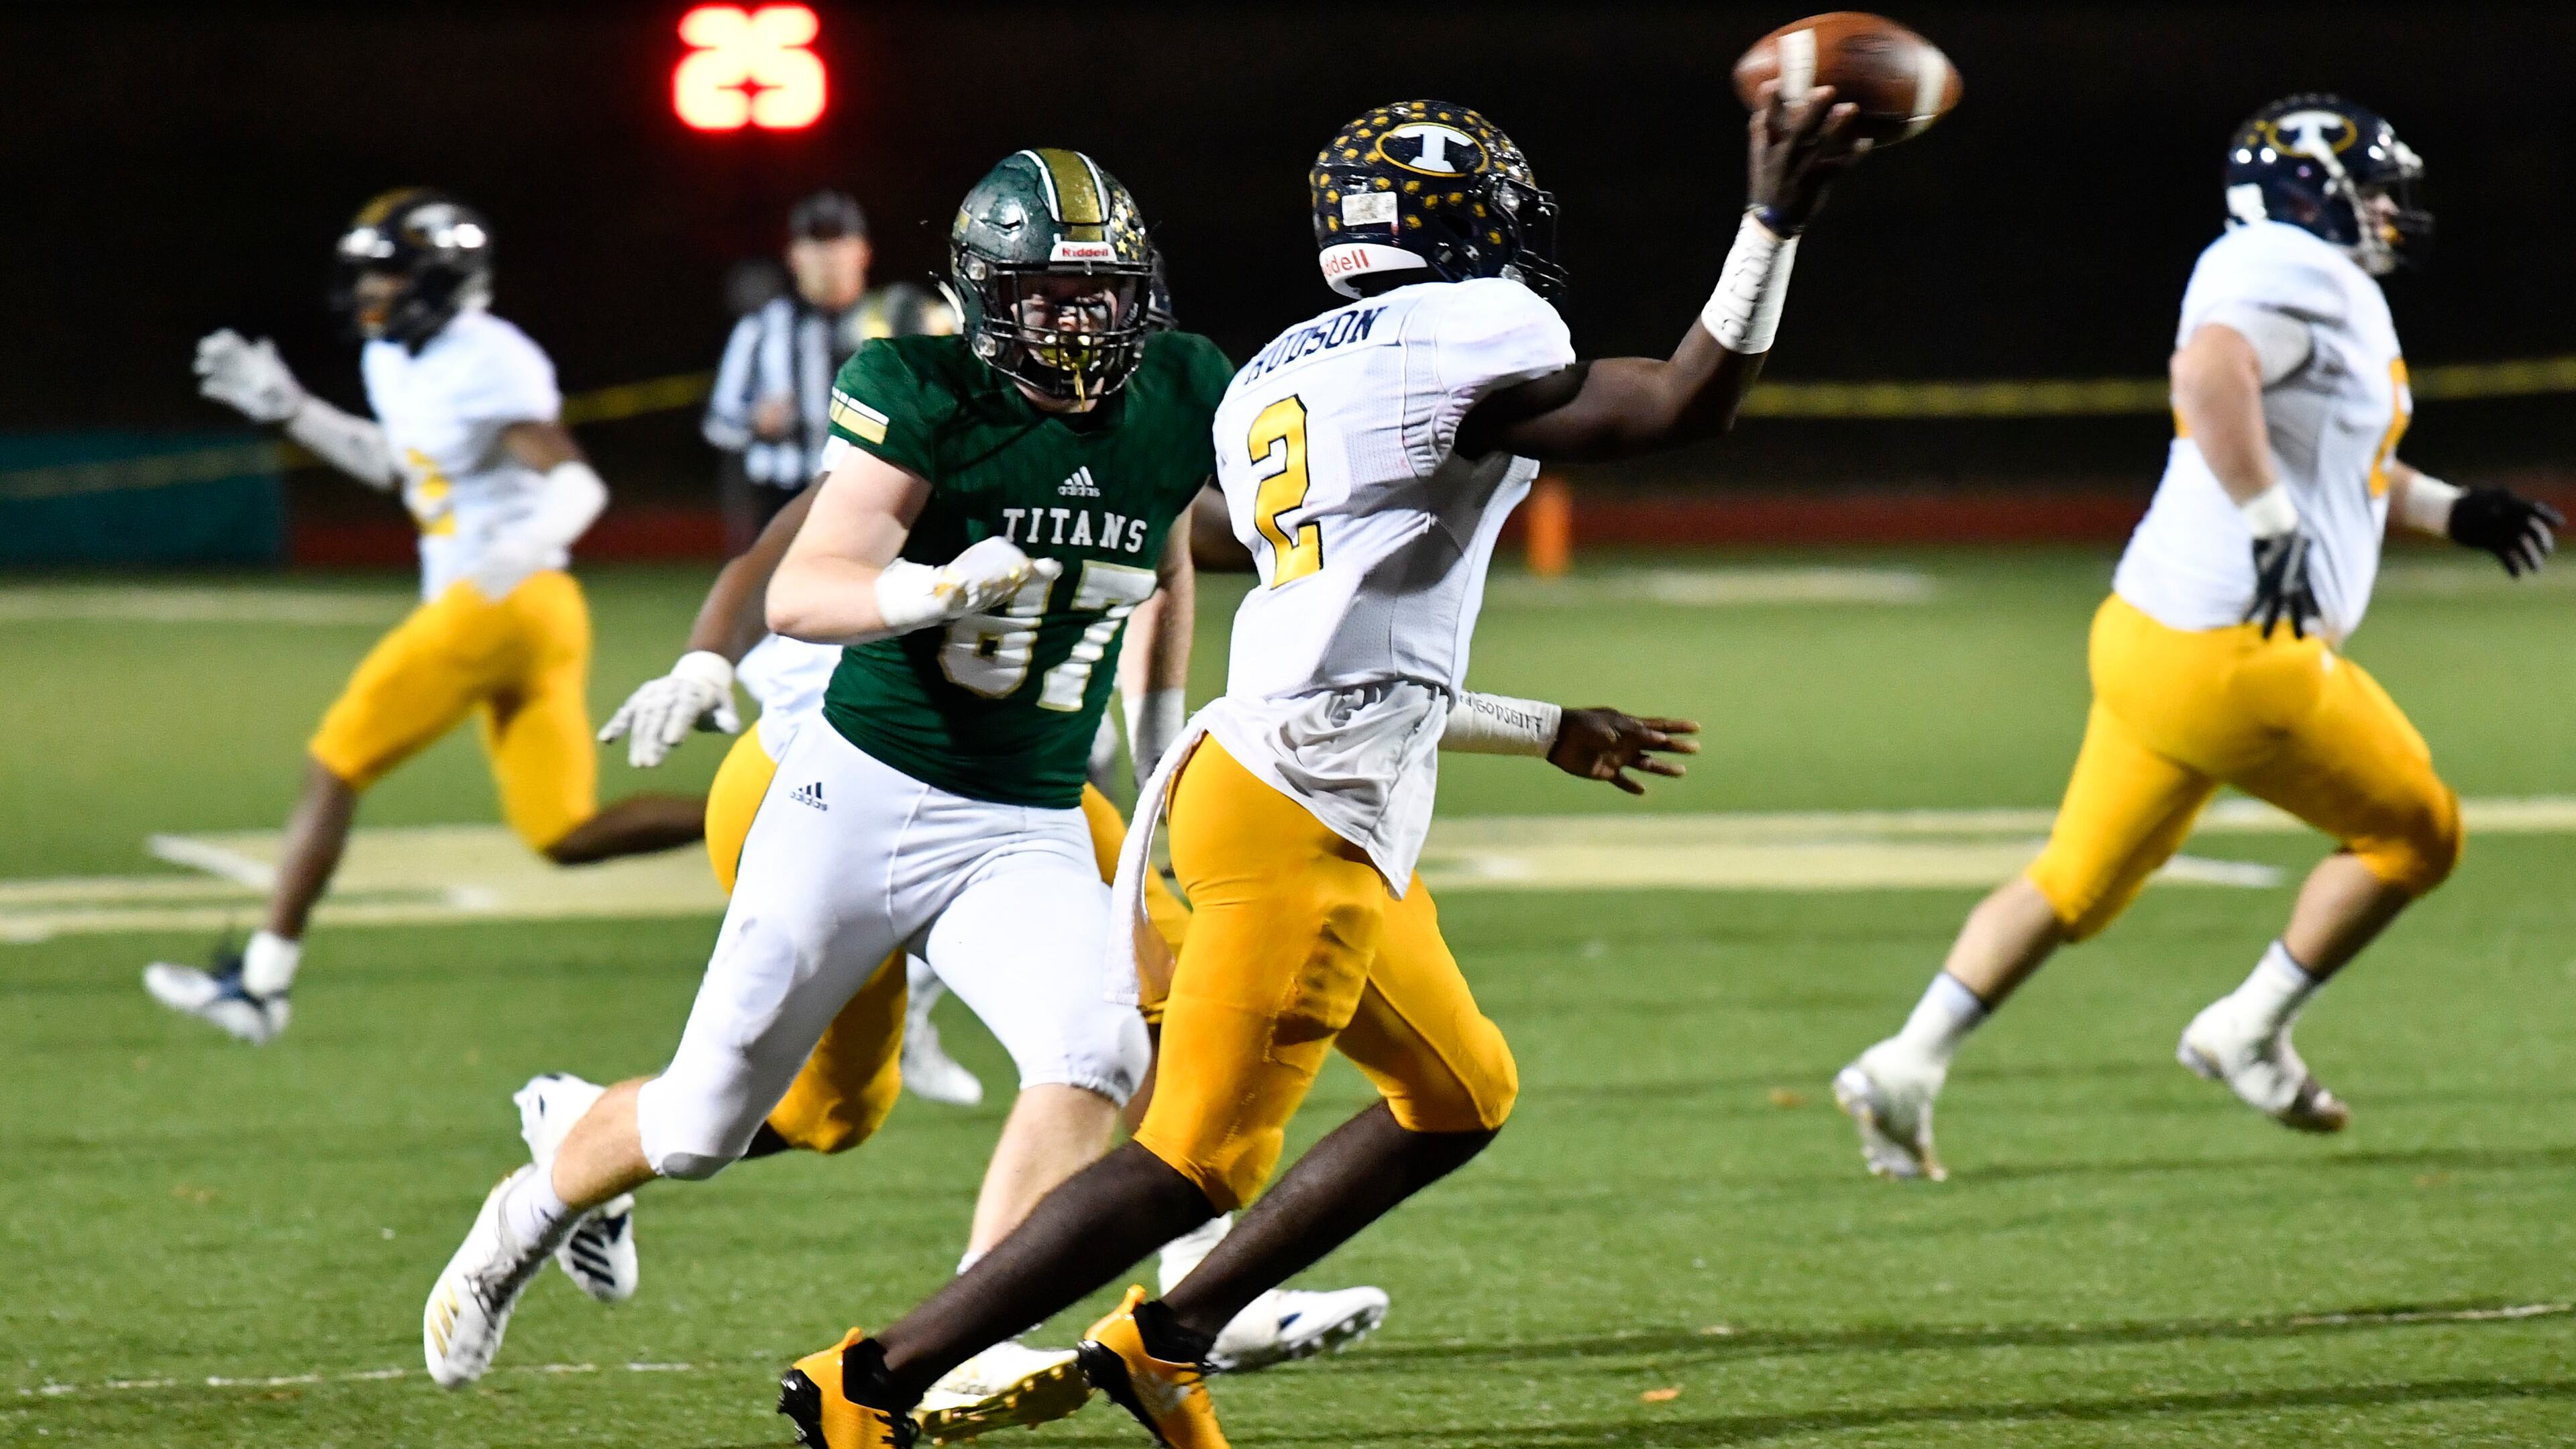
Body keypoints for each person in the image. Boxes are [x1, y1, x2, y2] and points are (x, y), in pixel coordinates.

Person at [761, 89, 1843, 1449]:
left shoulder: (1288, 366)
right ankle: (875, 1380)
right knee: (1195, 1164)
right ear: (1469, 222)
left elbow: (1324, 625)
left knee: (1458, 1095)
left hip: (1263, 773)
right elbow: (1687, 400)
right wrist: (1773, 218)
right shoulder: (1476, 331)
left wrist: (1540, 724)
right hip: (1299, 818)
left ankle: (1169, 1340)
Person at [416, 148, 1407, 1425]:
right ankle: (532, 1201)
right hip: (859, 798)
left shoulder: (1180, 389)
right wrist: (924, 593)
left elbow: (1160, 543)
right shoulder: (920, 388)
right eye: (1047, 295)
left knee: (1098, 1047)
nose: (1078, 321)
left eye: (1100, 294)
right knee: (709, 1122)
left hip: (1028, 819)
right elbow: (804, 580)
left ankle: (977, 1324)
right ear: (987, 298)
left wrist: (1159, 721)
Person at [1831, 96, 2562, 1182]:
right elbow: (2209, 375)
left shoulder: (2297, 278)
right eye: (2370, 190)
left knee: (2069, 885)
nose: (2389, 211)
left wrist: (2457, 511)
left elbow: (2343, 472)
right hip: (2240, 661)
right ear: (2309, 191)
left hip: (2147, 641)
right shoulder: (2287, 265)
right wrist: (2271, 527)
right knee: (2421, 835)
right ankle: (2248, 1030)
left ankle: (1907, 1061)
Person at [147, 189, 706, 1045]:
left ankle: (260, 987)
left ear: (440, 281)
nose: (372, 296)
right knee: (562, 833)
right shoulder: (396, 360)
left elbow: (576, 478)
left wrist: (532, 540)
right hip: (532, 613)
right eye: (367, 279)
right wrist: (292, 409)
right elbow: (405, 471)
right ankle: (761, 803)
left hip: (500, 602)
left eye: (390, 278)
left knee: (334, 763)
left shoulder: (491, 358)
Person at [706, 189, 957, 551]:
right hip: (787, 498)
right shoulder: (761, 329)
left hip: (879, 499)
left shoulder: (904, 318)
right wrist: (755, 422)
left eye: (839, 241)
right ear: (794, 256)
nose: (828, 256)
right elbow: (719, 423)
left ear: (863, 251)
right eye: (816, 243)